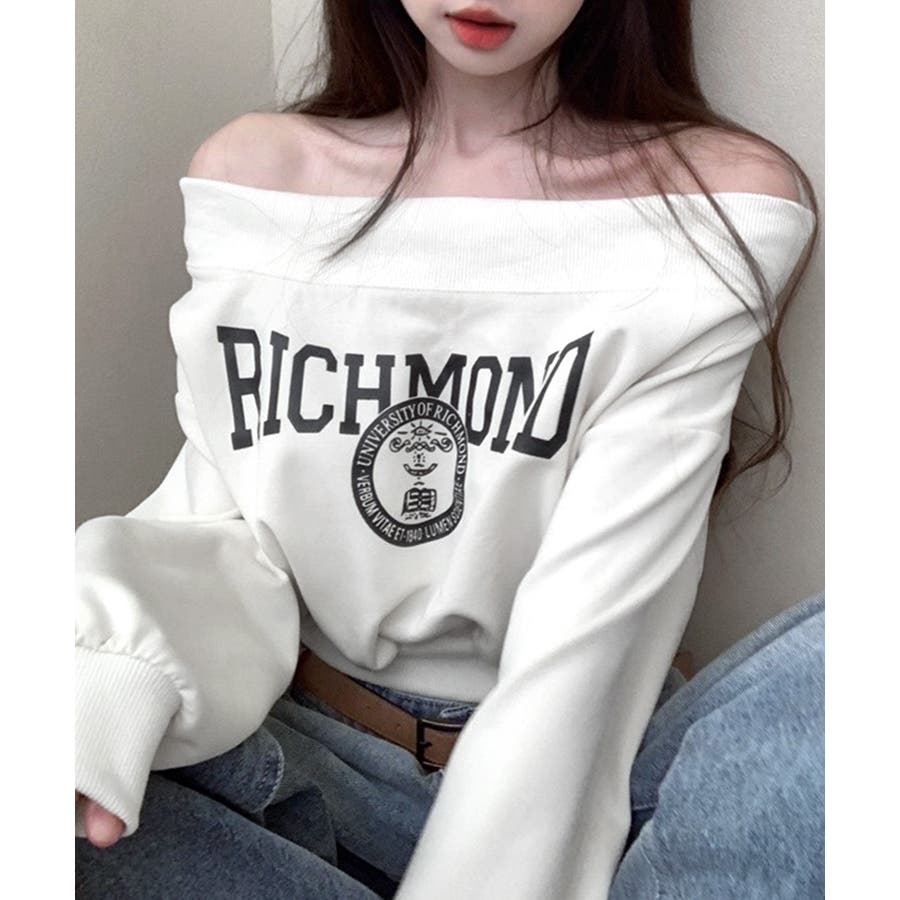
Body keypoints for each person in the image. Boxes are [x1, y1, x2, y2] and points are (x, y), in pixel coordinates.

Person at [75, 1, 823, 897]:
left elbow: (596, 637)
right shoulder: (258, 179)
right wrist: (96, 687)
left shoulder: (711, 203)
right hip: (303, 762)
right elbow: (223, 521)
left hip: (597, 777)